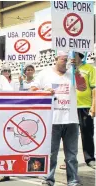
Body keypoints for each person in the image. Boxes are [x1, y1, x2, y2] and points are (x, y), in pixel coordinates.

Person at [30, 51, 80, 186]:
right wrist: (44, 91)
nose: (66, 62)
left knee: (71, 156)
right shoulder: (44, 73)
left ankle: (73, 181)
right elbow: (32, 90)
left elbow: (82, 87)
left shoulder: (73, 74)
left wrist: (78, 70)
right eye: (64, 60)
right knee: (51, 153)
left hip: (71, 120)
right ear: (56, 59)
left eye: (68, 60)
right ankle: (48, 179)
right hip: (52, 120)